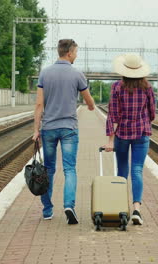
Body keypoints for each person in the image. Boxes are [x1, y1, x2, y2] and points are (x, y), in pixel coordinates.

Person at [32, 39, 95, 224]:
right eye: (75, 52)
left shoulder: (45, 73)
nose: (76, 55)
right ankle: (69, 205)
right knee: (69, 169)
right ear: (69, 53)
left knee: (48, 170)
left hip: (48, 128)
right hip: (69, 129)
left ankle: (47, 210)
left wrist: (36, 129)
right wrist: (91, 106)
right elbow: (89, 100)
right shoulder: (77, 74)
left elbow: (38, 104)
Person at [103, 53, 156, 225]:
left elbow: (112, 115)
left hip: (122, 134)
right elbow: (152, 113)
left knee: (122, 170)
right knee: (137, 170)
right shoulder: (147, 88)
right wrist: (143, 119)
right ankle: (137, 210)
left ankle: (120, 208)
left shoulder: (117, 87)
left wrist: (110, 140)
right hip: (141, 133)